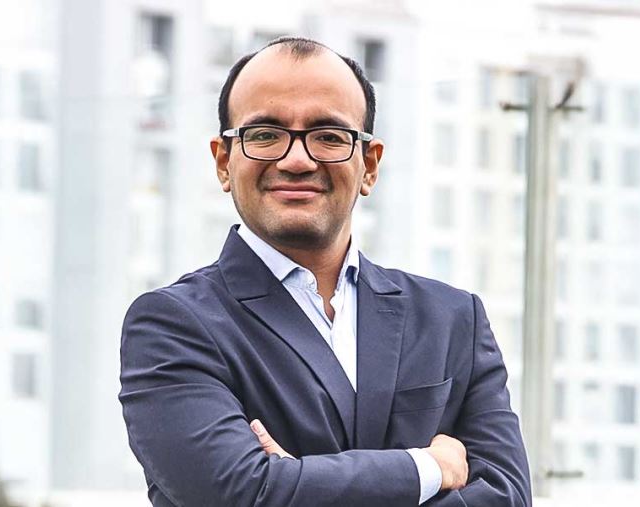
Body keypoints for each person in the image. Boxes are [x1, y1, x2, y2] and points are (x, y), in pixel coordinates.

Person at [119, 37, 531, 507]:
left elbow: (507, 498)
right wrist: (428, 468)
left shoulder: (452, 319)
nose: (296, 160)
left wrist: (292, 482)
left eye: (329, 136)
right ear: (223, 162)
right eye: (265, 135)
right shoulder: (173, 325)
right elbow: (242, 495)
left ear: (369, 166)